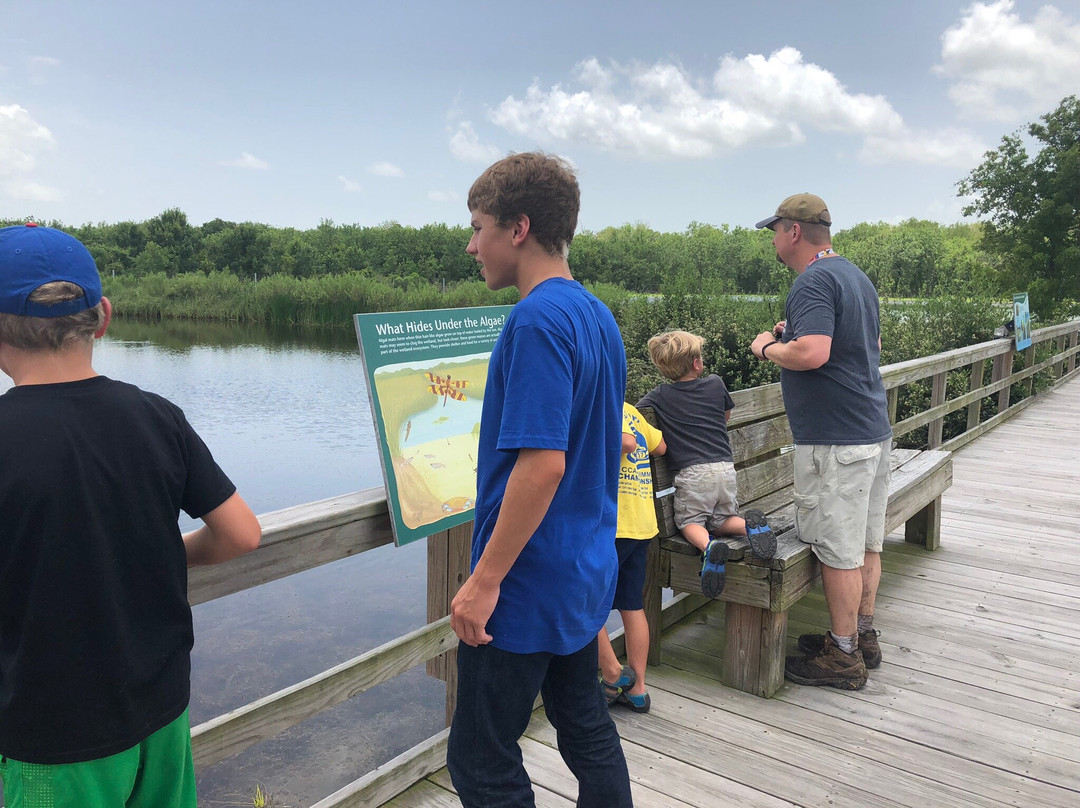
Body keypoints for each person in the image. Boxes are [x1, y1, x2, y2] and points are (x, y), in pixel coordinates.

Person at [0, 223, 262, 806]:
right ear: (105, 316)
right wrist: (164, 553)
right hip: (160, 712)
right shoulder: (156, 416)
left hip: (54, 736)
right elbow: (242, 534)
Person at [446, 153, 633, 808]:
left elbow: (543, 463)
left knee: (479, 761)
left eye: (478, 227)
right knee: (585, 727)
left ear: (518, 227)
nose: (473, 245)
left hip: (524, 586)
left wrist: (484, 581)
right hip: (581, 573)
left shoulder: (533, 322)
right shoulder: (597, 317)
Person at [750, 193, 892, 691]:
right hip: (871, 429)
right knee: (866, 542)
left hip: (837, 439)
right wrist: (798, 333)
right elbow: (867, 347)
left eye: (774, 230)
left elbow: (812, 353)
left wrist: (768, 346)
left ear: (792, 231)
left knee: (839, 550)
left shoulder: (812, 280)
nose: (772, 239)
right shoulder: (854, 276)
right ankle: (861, 635)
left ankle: (843, 656)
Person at [637, 330, 776, 598]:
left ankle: (708, 548)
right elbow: (725, 415)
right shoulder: (715, 383)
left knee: (690, 523)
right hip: (725, 469)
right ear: (697, 364)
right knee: (722, 518)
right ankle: (749, 526)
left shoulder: (660, 396)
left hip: (693, 475)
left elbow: (637, 415)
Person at [597, 402, 667, 714]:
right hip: (642, 523)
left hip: (614, 525)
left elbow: (626, 442)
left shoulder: (598, 404)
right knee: (631, 605)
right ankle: (638, 690)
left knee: (584, 602)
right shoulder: (630, 410)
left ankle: (612, 677)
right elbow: (661, 446)